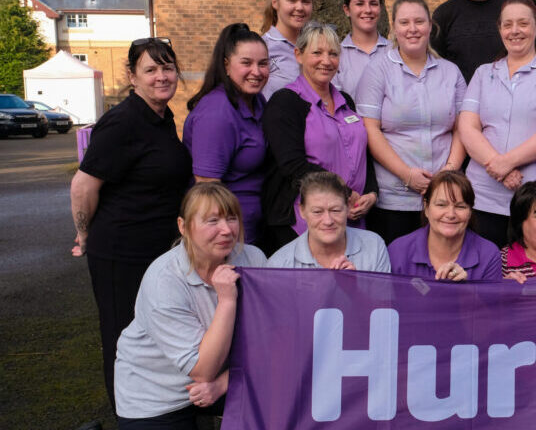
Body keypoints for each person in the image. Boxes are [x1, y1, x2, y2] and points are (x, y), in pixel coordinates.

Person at [69, 36, 192, 409]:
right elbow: (83, 184)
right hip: (121, 253)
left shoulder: (162, 117)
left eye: (167, 67)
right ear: (132, 76)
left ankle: (155, 409)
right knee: (123, 338)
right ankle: (128, 412)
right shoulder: (121, 122)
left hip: (155, 249)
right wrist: (83, 232)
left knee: (154, 334)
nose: (161, 77)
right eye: (150, 69)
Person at [113, 182, 267, 428]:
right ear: (183, 227)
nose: (227, 230)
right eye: (212, 221)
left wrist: (223, 383)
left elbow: (270, 339)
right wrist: (227, 299)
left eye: (231, 218)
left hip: (227, 378)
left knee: (287, 389)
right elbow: (201, 370)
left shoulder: (253, 259)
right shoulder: (164, 280)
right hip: (156, 394)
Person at [459, 0, 536, 245]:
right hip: (484, 196)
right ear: (500, 29)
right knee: (487, 272)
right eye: (507, 24)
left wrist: (506, 163)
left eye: (523, 23)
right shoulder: (483, 74)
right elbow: (468, 128)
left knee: (535, 277)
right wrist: (500, 168)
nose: (515, 31)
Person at [356, 0, 467, 242]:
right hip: (394, 196)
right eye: (404, 23)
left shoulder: (450, 72)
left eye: (419, 21)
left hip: (444, 196)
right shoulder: (377, 70)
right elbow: (370, 129)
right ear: (394, 27)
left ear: (430, 25)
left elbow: (463, 127)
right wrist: (407, 175)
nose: (412, 29)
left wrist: (448, 172)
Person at [262, 22, 377, 254]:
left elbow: (364, 153)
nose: (326, 61)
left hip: (352, 219)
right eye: (317, 52)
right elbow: (292, 165)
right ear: (299, 55)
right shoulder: (285, 103)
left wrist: (372, 193)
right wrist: (342, 191)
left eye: (333, 54)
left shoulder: (346, 101)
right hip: (302, 224)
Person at [183, 23, 269, 245]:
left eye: (263, 64)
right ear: (227, 65)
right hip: (229, 236)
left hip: (255, 226)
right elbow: (207, 191)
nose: (256, 72)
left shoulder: (257, 101)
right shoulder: (216, 113)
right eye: (246, 63)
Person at [388, 170, 501, 281]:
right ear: (426, 208)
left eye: (460, 206)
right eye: (441, 205)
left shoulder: (488, 255)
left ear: (470, 211)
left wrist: (466, 291)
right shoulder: (398, 251)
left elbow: (491, 300)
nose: (451, 214)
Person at [268, 172, 390, 272]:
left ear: (347, 207)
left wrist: (354, 290)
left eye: (335, 210)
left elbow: (382, 301)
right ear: (302, 211)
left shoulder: (373, 246)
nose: (328, 221)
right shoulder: (279, 264)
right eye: (317, 212)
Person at [261, 0, 314, 99]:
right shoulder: (263, 48)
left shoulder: (318, 46)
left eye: (306, 1)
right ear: (275, 2)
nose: (300, 7)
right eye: (292, 0)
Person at [332, 0, 391, 94]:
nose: (368, 10)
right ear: (347, 10)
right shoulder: (336, 56)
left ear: (380, 8)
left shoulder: (396, 52)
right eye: (360, 4)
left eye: (373, 4)